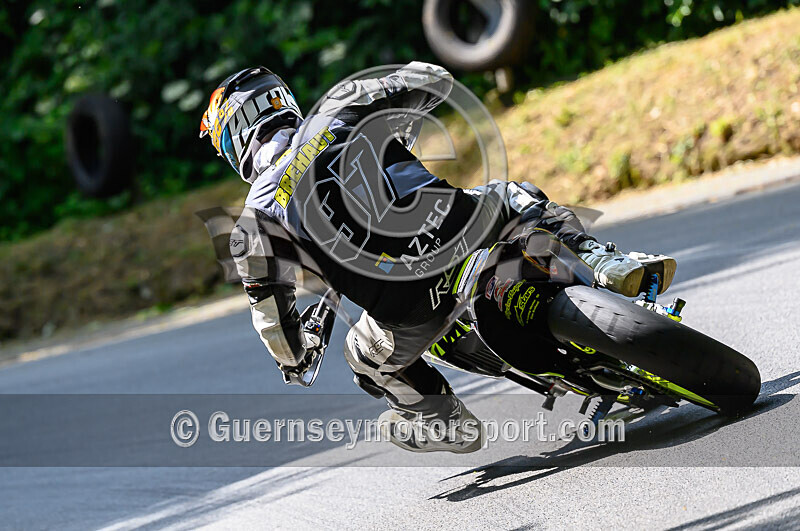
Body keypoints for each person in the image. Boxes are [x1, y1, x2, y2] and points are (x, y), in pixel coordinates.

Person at [199, 63, 676, 453]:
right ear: (282, 101)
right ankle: (604, 262)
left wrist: (297, 355)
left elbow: (277, 332)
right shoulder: (341, 106)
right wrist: (401, 113)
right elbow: (433, 80)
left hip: (405, 308)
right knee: (514, 196)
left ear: (235, 138)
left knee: (363, 358)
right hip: (459, 232)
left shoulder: (251, 227)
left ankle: (445, 423)